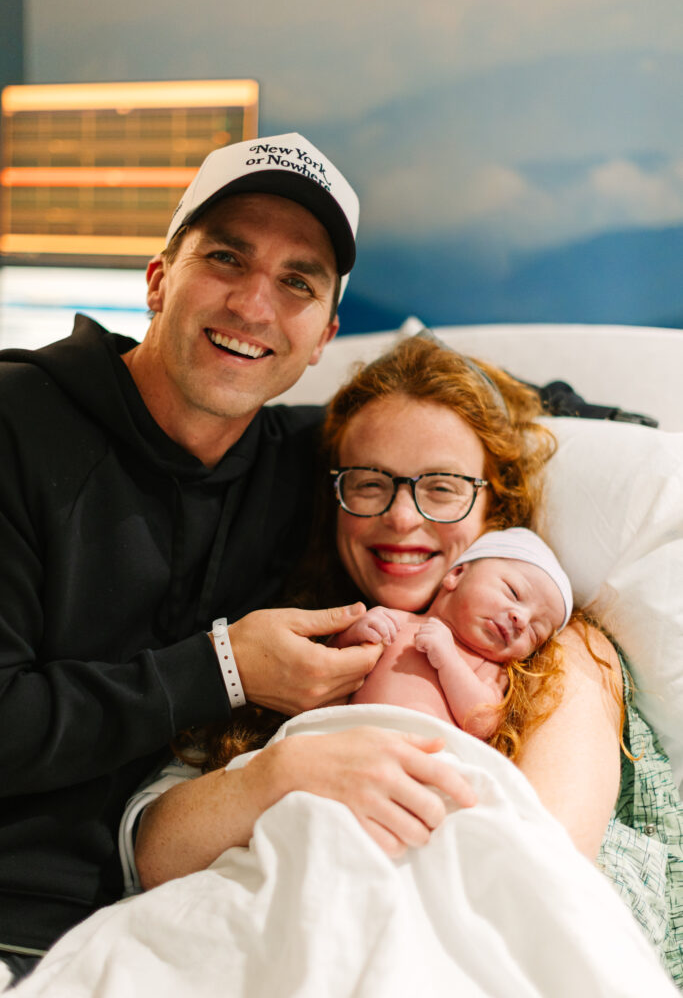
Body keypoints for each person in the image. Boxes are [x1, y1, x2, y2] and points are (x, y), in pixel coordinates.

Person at [127, 336, 682, 987]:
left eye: (442, 488)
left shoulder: (557, 650)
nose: (400, 516)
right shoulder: (292, 639)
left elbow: (546, 856)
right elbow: (153, 853)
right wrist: (280, 772)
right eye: (368, 483)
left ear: (493, 509)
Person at [0, 130, 395, 983]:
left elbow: (482, 416)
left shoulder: (305, 461)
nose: (255, 306)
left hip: (186, 920)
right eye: (226, 258)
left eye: (297, 281)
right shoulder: (15, 427)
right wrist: (221, 666)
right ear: (156, 280)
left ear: (323, 335)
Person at [341, 527, 572, 739]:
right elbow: (330, 669)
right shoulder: (398, 621)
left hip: (428, 758)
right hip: (352, 738)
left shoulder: (489, 669)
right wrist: (355, 633)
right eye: (513, 592)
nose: (521, 620)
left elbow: (482, 724)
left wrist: (449, 661)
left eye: (535, 632)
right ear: (457, 574)